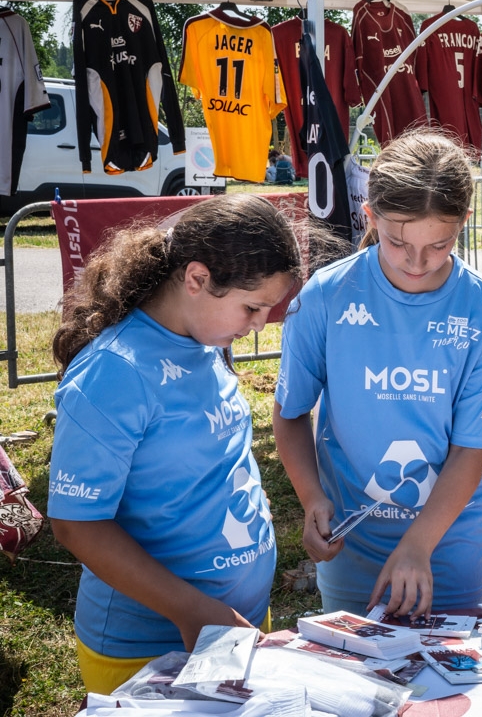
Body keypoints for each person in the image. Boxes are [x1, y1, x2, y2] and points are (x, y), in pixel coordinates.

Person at [47, 195, 302, 695]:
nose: (258, 325)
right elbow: (76, 524)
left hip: (233, 622)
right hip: (151, 643)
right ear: (197, 279)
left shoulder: (206, 338)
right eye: (252, 307)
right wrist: (193, 612)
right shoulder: (115, 371)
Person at [274, 129, 482, 619]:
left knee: (444, 664)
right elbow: (290, 411)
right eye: (397, 242)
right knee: (355, 662)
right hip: (351, 542)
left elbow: (471, 447)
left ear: (464, 222)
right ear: (370, 216)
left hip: (448, 540)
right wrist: (312, 498)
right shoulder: (326, 295)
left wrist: (418, 545)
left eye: (439, 245)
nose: (416, 262)